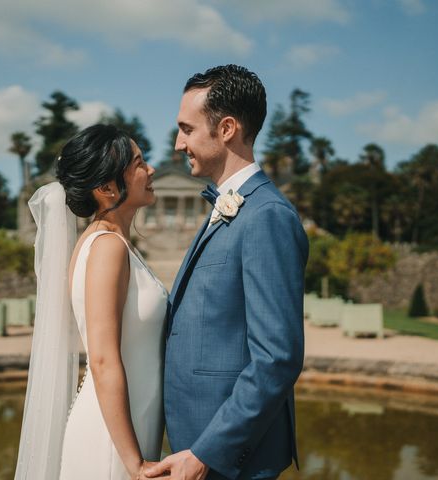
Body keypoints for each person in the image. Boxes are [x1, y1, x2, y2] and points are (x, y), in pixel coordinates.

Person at [145, 65, 309, 480]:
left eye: (186, 129)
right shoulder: (227, 207)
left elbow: (277, 358)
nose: (179, 143)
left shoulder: (266, 216)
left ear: (227, 129)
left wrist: (205, 453)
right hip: (194, 443)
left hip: (225, 457)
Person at [14, 124, 167, 479]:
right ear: (107, 187)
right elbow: (101, 358)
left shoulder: (114, 244)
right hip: (111, 441)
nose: (151, 170)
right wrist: (135, 463)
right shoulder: (106, 248)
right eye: (139, 163)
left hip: (131, 425)